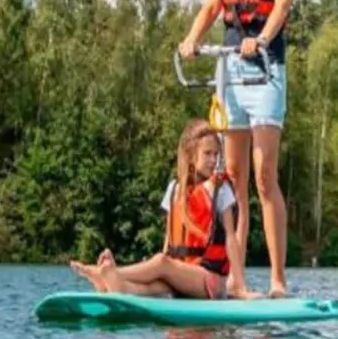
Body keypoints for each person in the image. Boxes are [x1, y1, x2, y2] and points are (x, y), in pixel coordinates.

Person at [177, 0, 298, 298]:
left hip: (264, 71)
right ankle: (238, 282)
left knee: (265, 178)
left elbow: (281, 4)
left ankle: (278, 281)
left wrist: (262, 38)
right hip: (231, 72)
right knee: (234, 180)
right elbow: (213, 4)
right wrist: (193, 36)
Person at [70, 118, 252, 299]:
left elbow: (230, 237)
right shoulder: (175, 189)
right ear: (190, 155)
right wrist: (160, 274)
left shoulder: (221, 190)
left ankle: (109, 273)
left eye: (216, 154)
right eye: (207, 154)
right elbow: (169, 239)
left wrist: (239, 287)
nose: (213, 160)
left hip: (211, 281)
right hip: (181, 274)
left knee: (161, 262)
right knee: (150, 287)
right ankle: (113, 285)